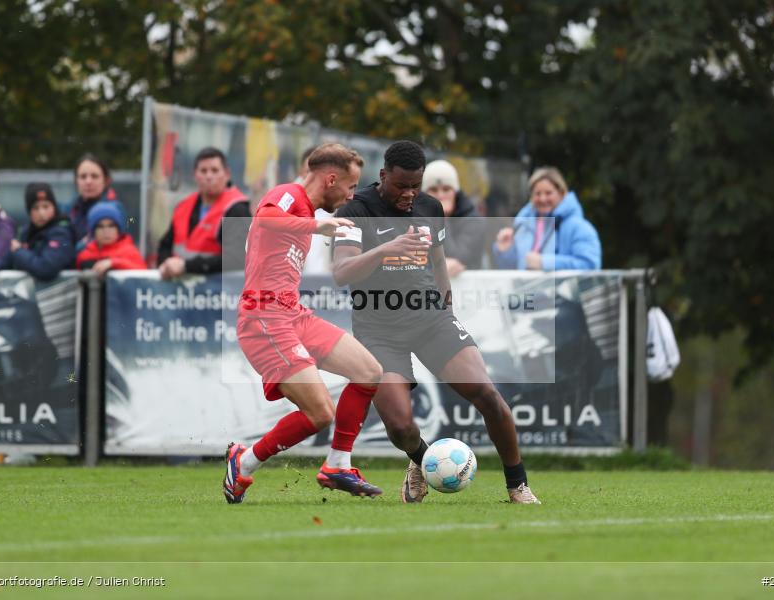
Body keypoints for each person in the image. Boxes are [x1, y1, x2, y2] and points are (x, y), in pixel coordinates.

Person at [331, 141, 540, 504]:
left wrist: (446, 307)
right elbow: (340, 271)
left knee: (488, 396)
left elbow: (439, 261)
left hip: (431, 319)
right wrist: (385, 249)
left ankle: (518, 485)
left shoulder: (430, 207)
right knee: (400, 426)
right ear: (383, 176)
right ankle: (422, 459)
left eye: (416, 185)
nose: (409, 194)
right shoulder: (355, 210)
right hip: (378, 330)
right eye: (401, 186)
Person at [223, 143, 384, 504]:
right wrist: (318, 226)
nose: (351, 194)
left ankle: (337, 464)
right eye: (350, 186)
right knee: (320, 413)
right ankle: (244, 462)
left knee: (369, 371)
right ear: (330, 179)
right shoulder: (288, 195)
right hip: (264, 316)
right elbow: (264, 218)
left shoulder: (304, 207)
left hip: (294, 313)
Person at [157, 147, 251, 278]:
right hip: (179, 291)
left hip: (218, 292)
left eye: (215, 170)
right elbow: (165, 245)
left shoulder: (237, 209)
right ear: (195, 175)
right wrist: (166, 264)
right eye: (203, 171)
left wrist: (186, 266)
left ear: (227, 174)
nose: (209, 176)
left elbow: (237, 259)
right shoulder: (183, 207)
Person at [493, 166, 601, 271]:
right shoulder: (523, 225)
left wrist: (545, 262)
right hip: (526, 289)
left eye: (548, 193)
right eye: (537, 193)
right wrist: (505, 250)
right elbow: (515, 268)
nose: (542, 199)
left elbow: (590, 264)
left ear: (562, 193)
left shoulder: (579, 228)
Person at [0, 183, 76, 291]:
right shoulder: (26, 232)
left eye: (46, 206)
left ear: (54, 207)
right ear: (29, 212)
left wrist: (19, 252)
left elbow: (46, 269)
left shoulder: (61, 233)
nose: (41, 213)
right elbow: (8, 258)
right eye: (35, 208)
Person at [422, 159, 486, 277]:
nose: (440, 195)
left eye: (446, 189)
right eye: (434, 190)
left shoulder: (473, 220)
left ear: (455, 192)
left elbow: (456, 259)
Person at [66, 154, 126, 250]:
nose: (88, 181)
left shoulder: (116, 210)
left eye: (94, 176)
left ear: (106, 180)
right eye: (83, 176)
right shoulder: (69, 210)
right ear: (76, 181)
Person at [75, 202, 145, 274]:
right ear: (93, 231)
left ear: (118, 229)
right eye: (100, 226)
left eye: (111, 226)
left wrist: (114, 263)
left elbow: (142, 273)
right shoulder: (84, 255)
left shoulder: (129, 252)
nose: (106, 231)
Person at [299, 145, 334, 276]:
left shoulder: (343, 210)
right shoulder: (283, 207)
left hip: (328, 291)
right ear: (301, 173)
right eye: (309, 172)